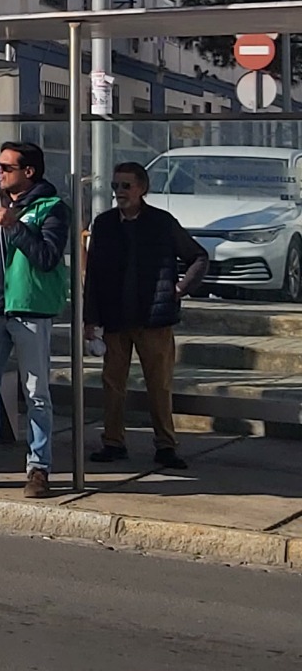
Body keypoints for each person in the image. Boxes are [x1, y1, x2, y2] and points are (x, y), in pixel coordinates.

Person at [0, 141, 70, 498]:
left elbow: (47, 257)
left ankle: (38, 467)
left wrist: (16, 227)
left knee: (36, 391)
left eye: (6, 167)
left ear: (29, 172)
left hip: (30, 310)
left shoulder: (51, 208)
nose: (0, 172)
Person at [84, 161, 208, 470]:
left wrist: (179, 289)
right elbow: (94, 275)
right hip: (115, 318)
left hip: (154, 318)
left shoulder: (162, 222)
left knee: (159, 384)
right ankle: (113, 442)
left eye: (126, 186)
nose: (120, 192)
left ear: (142, 188)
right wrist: (91, 318)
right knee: (112, 384)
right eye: (115, 186)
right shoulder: (105, 224)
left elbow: (198, 256)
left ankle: (166, 445)